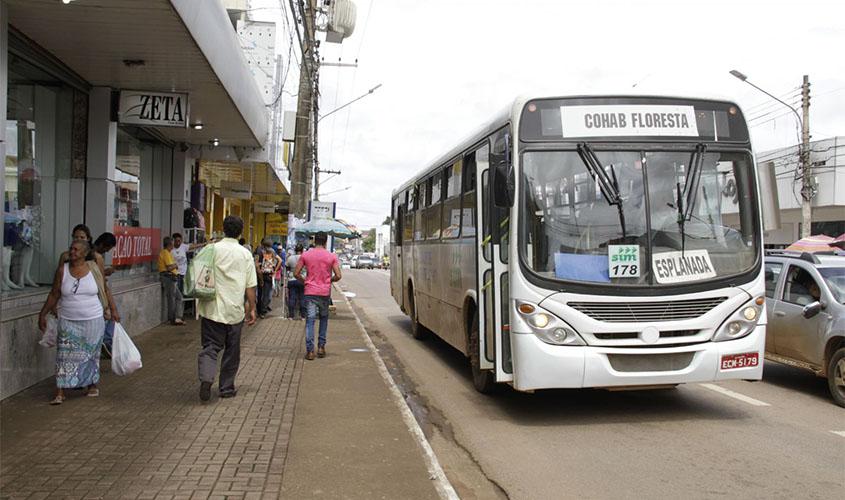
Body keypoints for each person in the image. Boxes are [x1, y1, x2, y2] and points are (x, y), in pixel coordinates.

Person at [38, 240, 110, 404]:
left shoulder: (94, 269)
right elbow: (54, 294)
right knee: (63, 355)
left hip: (93, 319)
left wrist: (111, 310)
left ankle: (92, 384)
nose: (72, 252)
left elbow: (104, 289)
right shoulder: (62, 271)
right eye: (71, 249)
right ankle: (60, 391)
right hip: (68, 320)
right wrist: (42, 314)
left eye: (76, 250)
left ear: (85, 253)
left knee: (91, 354)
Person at [197, 215, 257, 401]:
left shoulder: (210, 249)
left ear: (223, 229)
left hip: (211, 309)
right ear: (240, 232)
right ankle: (226, 388)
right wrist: (252, 308)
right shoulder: (245, 254)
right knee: (232, 351)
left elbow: (198, 271)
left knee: (210, 347)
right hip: (234, 312)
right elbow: (250, 286)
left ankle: (207, 378)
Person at [294, 232, 342, 360]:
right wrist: (329, 280)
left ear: (315, 241)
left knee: (310, 320)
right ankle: (321, 347)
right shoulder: (331, 256)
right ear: (326, 242)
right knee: (324, 319)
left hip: (310, 292)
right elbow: (338, 275)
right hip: (324, 292)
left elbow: (296, 273)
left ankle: (310, 351)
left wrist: (306, 282)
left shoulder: (306, 255)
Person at [158, 236, 184, 326]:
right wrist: (176, 265)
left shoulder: (168, 253)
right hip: (168, 277)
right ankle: (172, 318)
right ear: (170, 244)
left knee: (178, 297)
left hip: (171, 277)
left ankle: (178, 317)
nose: (174, 244)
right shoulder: (165, 253)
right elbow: (169, 267)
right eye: (173, 242)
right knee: (172, 298)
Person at [254, 238, 281, 318]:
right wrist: (275, 271)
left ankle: (259, 310)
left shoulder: (259, 251)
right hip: (268, 274)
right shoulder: (271, 251)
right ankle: (263, 311)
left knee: (260, 293)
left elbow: (257, 266)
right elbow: (280, 261)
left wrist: (260, 278)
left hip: (260, 275)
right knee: (266, 294)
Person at [286, 244, 306, 320]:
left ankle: (291, 315)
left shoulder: (290, 258)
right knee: (302, 298)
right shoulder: (305, 258)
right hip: (302, 279)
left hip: (292, 279)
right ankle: (303, 316)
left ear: (295, 250)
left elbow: (287, 267)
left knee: (292, 297)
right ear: (302, 250)